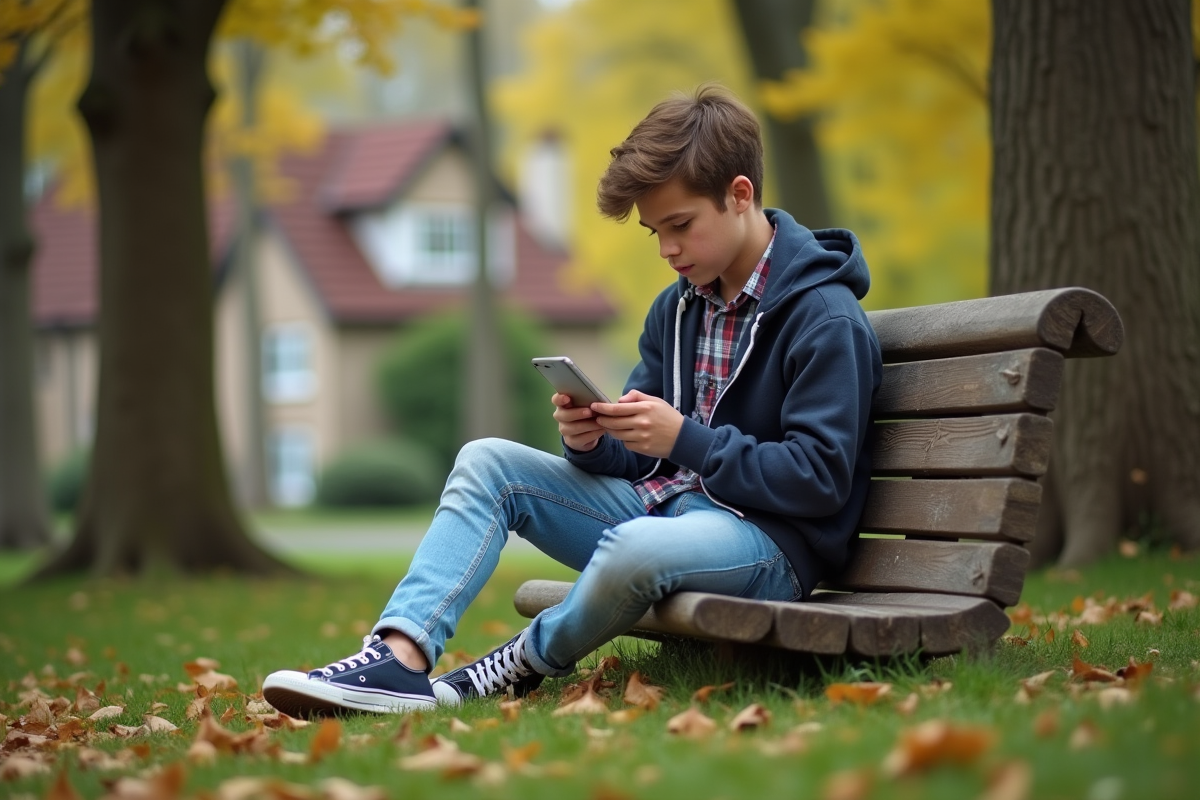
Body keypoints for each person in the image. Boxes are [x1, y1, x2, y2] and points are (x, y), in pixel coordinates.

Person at [261, 84, 882, 718]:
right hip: (665, 512)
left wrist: (682, 439)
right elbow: (645, 460)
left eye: (681, 226)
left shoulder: (824, 318)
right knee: (486, 461)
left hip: (766, 544)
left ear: (740, 194)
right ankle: (399, 657)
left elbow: (820, 479)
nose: (667, 249)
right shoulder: (677, 306)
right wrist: (593, 441)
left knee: (637, 546)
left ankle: (511, 668)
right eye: (654, 232)